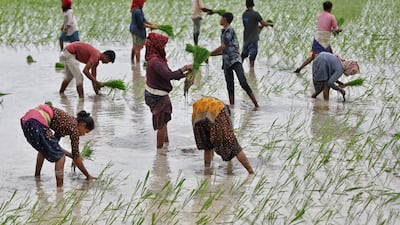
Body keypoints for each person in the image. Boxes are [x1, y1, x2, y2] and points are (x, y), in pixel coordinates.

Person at [20, 103, 96, 187]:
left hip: (27, 121)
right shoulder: (74, 128)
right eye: (86, 132)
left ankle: (37, 177)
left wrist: (73, 156)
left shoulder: (66, 122)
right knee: (61, 157)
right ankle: (60, 189)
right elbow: (76, 157)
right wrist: (88, 175)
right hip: (37, 122)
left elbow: (54, 146)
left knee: (44, 149)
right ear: (82, 125)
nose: (84, 134)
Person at [144, 33, 193, 148]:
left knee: (164, 121)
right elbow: (168, 75)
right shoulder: (155, 61)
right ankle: (160, 152)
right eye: (163, 45)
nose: (164, 48)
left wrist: (182, 75)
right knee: (161, 124)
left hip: (155, 93)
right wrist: (184, 67)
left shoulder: (155, 58)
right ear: (157, 46)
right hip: (157, 96)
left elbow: (167, 75)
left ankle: (166, 145)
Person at [192, 97, 254, 173]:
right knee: (235, 146)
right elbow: (229, 132)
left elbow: (210, 144)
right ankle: (251, 171)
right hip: (214, 111)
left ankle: (207, 170)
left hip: (197, 114)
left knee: (207, 147)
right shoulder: (223, 111)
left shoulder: (215, 102)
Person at [209, 12, 259, 107]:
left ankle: (256, 104)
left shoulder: (229, 30)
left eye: (221, 18)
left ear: (225, 19)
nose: (220, 19)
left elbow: (223, 46)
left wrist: (210, 53)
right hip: (227, 61)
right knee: (230, 86)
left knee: (243, 82)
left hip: (235, 60)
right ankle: (232, 107)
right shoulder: (223, 31)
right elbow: (225, 50)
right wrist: (210, 55)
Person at [294, 1, 342, 73]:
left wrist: (333, 30)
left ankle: (300, 68)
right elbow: (335, 30)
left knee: (314, 56)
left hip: (317, 37)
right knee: (329, 58)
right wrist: (339, 29)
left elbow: (325, 28)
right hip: (324, 39)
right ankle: (331, 75)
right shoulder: (331, 17)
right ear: (330, 8)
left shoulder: (320, 16)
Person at [241, 0, 273, 68]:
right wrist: (270, 24)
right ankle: (251, 71)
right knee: (252, 56)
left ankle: (239, 67)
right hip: (253, 39)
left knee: (243, 54)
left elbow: (250, 24)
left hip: (246, 38)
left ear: (246, 5)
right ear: (253, 5)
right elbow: (263, 23)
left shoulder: (244, 14)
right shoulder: (255, 14)